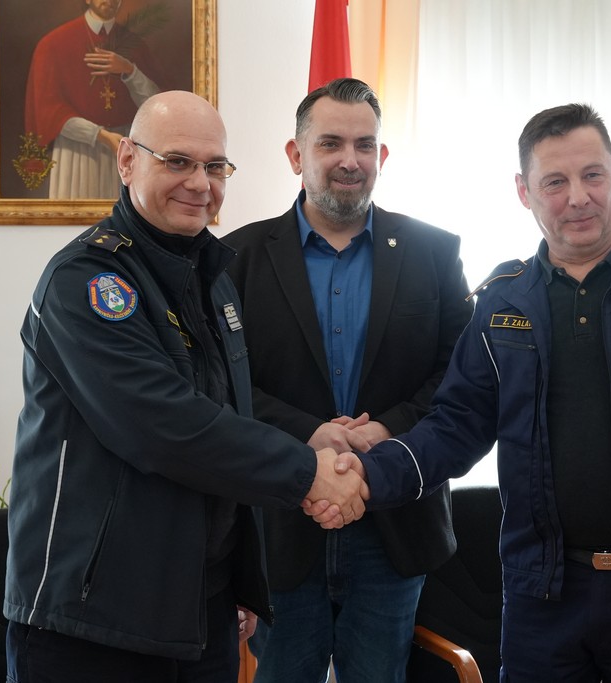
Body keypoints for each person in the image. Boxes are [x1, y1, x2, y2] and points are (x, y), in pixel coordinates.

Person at [313, 103, 611, 683]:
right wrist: (368, 475)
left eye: (593, 175)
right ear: (525, 192)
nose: (578, 197)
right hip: (542, 594)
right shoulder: (503, 300)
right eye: (555, 182)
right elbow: (456, 425)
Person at [3, 90, 368, 683]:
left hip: (199, 609)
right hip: (93, 622)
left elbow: (229, 415)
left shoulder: (214, 279)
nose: (200, 183)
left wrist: (239, 577)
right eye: (177, 161)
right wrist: (309, 473)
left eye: (215, 166)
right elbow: (165, 426)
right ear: (127, 160)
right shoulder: (86, 281)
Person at [223, 77, 473, 683]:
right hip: (281, 525)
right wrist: (310, 433)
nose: (349, 160)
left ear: (382, 156)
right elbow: (222, 382)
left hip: (396, 528)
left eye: (365, 145)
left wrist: (385, 429)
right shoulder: (235, 259)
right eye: (330, 143)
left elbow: (459, 374)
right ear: (296, 155)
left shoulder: (434, 253)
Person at [25, 0, 163, 199]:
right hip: (77, 151)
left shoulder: (135, 45)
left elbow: (154, 104)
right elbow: (49, 111)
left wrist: (129, 70)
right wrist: (100, 135)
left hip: (123, 148)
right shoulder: (53, 43)